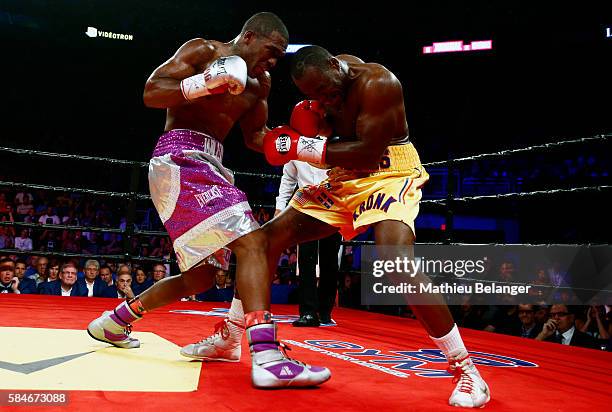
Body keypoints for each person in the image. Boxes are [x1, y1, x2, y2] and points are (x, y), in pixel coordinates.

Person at [187, 45, 490, 407]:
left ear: (336, 65)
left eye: (328, 92)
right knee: (263, 242)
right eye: (316, 97)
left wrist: (302, 146)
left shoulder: (378, 84)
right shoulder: (320, 96)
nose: (325, 100)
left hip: (388, 173)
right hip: (343, 176)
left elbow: (368, 153)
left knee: (395, 262)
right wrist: (276, 135)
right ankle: (231, 338)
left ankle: (467, 371)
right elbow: (286, 141)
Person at [86, 13, 329, 388]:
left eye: (279, 56)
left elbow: (254, 138)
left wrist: (300, 145)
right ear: (249, 36)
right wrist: (205, 82)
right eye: (271, 51)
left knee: (199, 278)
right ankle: (265, 356)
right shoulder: (202, 50)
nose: (273, 62)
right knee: (253, 241)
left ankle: (114, 322)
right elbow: (152, 92)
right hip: (178, 155)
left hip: (211, 163)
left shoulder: (260, 84)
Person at [274, 158, 341, 326]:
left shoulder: (333, 139)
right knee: (305, 258)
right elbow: (288, 178)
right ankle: (308, 312)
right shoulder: (294, 144)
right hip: (305, 206)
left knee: (330, 259)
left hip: (334, 204)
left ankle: (325, 311)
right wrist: (280, 208)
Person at [535, 304, 600, 349]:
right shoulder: (544, 337)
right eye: (553, 315)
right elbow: (528, 355)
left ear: (572, 317)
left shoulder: (588, 341)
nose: (556, 318)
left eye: (561, 314)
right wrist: (542, 335)